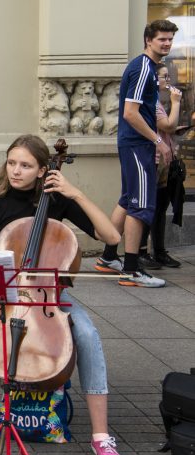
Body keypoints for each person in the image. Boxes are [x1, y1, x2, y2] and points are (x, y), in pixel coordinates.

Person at [0, 134, 125, 455]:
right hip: (6, 294)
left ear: (43, 170)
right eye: (12, 163)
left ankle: (101, 436)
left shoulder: (59, 203)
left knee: (87, 336)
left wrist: (75, 193)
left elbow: (112, 237)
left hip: (49, 296)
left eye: (25, 165)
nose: (16, 170)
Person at [95, 19, 177, 288]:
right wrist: (159, 141)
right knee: (141, 206)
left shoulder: (148, 68)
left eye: (169, 39)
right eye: (162, 39)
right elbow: (131, 113)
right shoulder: (143, 67)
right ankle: (131, 269)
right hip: (137, 145)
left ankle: (109, 258)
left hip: (133, 144)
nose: (166, 43)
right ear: (148, 40)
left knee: (129, 200)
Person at [139, 62, 183, 270]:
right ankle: (142, 252)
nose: (168, 81)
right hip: (155, 159)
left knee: (161, 207)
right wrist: (176, 103)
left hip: (165, 160)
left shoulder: (156, 101)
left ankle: (159, 251)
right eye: (165, 77)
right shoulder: (152, 102)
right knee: (151, 207)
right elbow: (167, 125)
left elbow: (168, 128)